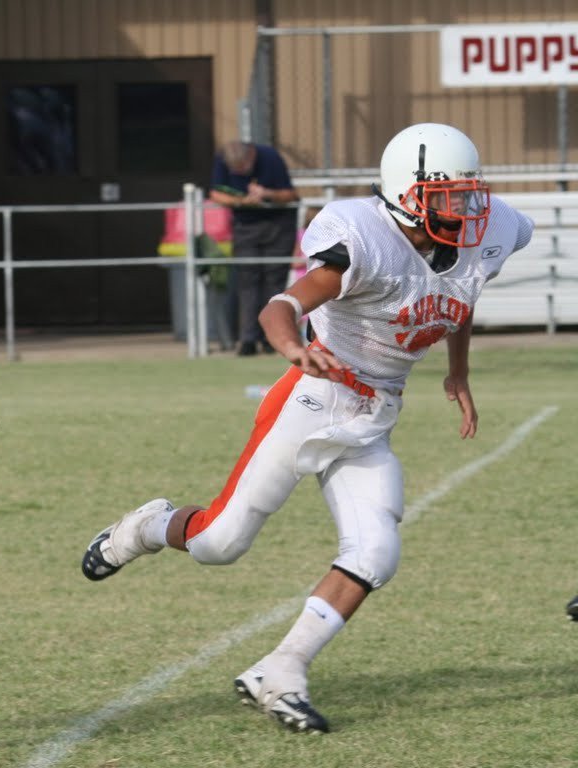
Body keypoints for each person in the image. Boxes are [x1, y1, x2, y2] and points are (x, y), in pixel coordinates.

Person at [81, 123, 534, 733]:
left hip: (374, 416)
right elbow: (282, 305)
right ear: (407, 193)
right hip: (314, 398)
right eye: (448, 195)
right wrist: (295, 348)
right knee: (219, 544)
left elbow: (460, 289)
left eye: (467, 193)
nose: (466, 207)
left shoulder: (482, 237)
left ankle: (283, 668)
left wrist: (459, 371)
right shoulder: (364, 239)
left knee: (377, 552)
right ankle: (147, 527)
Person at [209, 140, 300, 356]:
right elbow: (215, 193)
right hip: (245, 227)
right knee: (247, 281)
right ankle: (248, 339)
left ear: (250, 157)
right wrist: (241, 201)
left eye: (241, 168)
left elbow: (290, 195)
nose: (238, 173)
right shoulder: (224, 158)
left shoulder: (270, 158)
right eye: (235, 170)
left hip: (278, 225)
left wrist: (267, 194)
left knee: (274, 282)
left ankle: (272, 339)